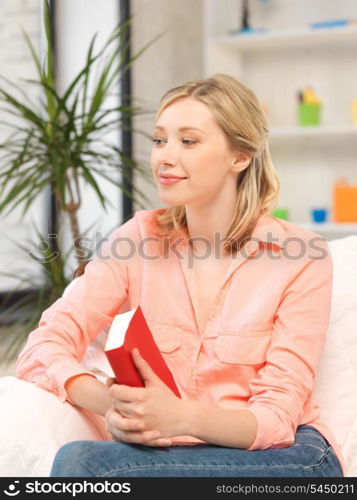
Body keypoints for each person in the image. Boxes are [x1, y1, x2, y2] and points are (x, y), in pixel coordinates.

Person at [16, 74, 344, 477]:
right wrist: (114, 405)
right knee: (82, 460)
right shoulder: (137, 240)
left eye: (188, 142)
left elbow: (277, 419)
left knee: (85, 464)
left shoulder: (301, 256)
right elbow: (45, 344)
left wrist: (182, 418)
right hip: (175, 451)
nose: (165, 157)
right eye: (159, 140)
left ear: (239, 156)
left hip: (284, 454)